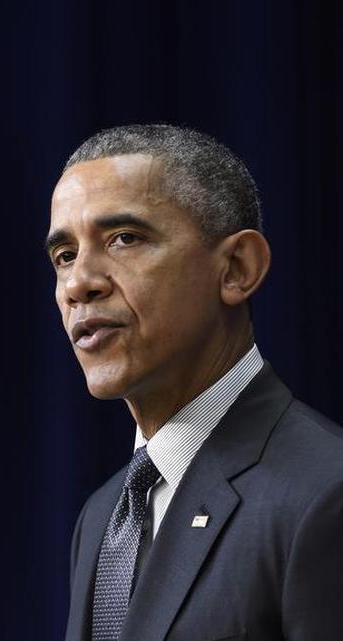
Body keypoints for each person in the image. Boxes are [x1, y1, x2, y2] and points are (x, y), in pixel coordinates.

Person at [48, 124, 343, 641]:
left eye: (124, 239)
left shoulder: (325, 494)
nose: (78, 284)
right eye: (65, 255)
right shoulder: (103, 516)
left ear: (236, 268)